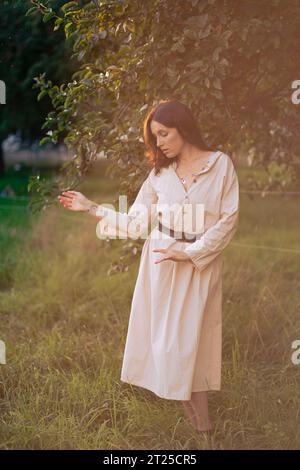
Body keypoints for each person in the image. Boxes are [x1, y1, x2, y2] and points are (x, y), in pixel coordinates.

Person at [58, 99, 240, 432]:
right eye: (155, 137)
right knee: (172, 349)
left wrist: (192, 252)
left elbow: (228, 221)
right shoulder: (159, 174)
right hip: (161, 263)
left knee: (192, 350)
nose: (160, 143)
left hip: (199, 266)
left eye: (164, 134)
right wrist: (91, 208)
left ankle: (206, 432)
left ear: (183, 129)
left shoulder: (220, 165)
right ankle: (204, 431)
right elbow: (135, 224)